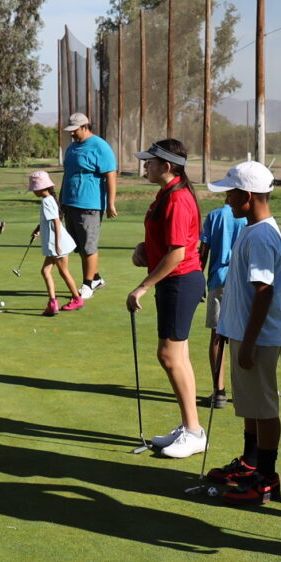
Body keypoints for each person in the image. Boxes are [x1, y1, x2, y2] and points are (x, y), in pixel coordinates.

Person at [200, 161, 281, 505]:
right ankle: (251, 463)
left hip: (259, 339)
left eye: (231, 193)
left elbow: (263, 293)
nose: (227, 200)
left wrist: (248, 342)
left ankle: (266, 478)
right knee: (251, 405)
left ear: (248, 196)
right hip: (246, 334)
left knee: (264, 409)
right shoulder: (251, 229)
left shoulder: (263, 235)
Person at [128, 139, 208, 459]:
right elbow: (170, 243)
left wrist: (143, 286)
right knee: (179, 356)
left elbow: (178, 253)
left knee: (169, 356)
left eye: (150, 162)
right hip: (177, 281)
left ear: (167, 166)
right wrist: (145, 249)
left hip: (179, 281)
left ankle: (193, 432)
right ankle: (191, 427)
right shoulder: (167, 193)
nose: (145, 165)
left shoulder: (177, 198)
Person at [59, 112, 118, 301]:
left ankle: (87, 285)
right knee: (79, 246)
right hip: (70, 202)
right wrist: (61, 202)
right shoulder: (71, 149)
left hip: (90, 204)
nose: (72, 135)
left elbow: (111, 175)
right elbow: (67, 175)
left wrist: (110, 203)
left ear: (85, 127)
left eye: (75, 131)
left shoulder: (100, 147)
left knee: (89, 245)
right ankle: (96, 278)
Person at [197, 190, 240, 409]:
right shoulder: (249, 216)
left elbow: (202, 252)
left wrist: (197, 280)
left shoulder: (215, 215)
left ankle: (219, 391)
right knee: (241, 336)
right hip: (244, 282)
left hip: (219, 281)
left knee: (218, 336)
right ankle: (242, 390)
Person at [27, 170, 77, 314]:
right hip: (54, 244)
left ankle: (76, 298)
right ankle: (52, 303)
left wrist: (57, 244)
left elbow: (56, 222)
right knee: (45, 271)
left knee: (63, 272)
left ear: (41, 188)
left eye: (34, 188)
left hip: (58, 244)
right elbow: (48, 222)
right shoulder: (49, 199)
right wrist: (38, 230)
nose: (33, 191)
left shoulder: (46, 201)